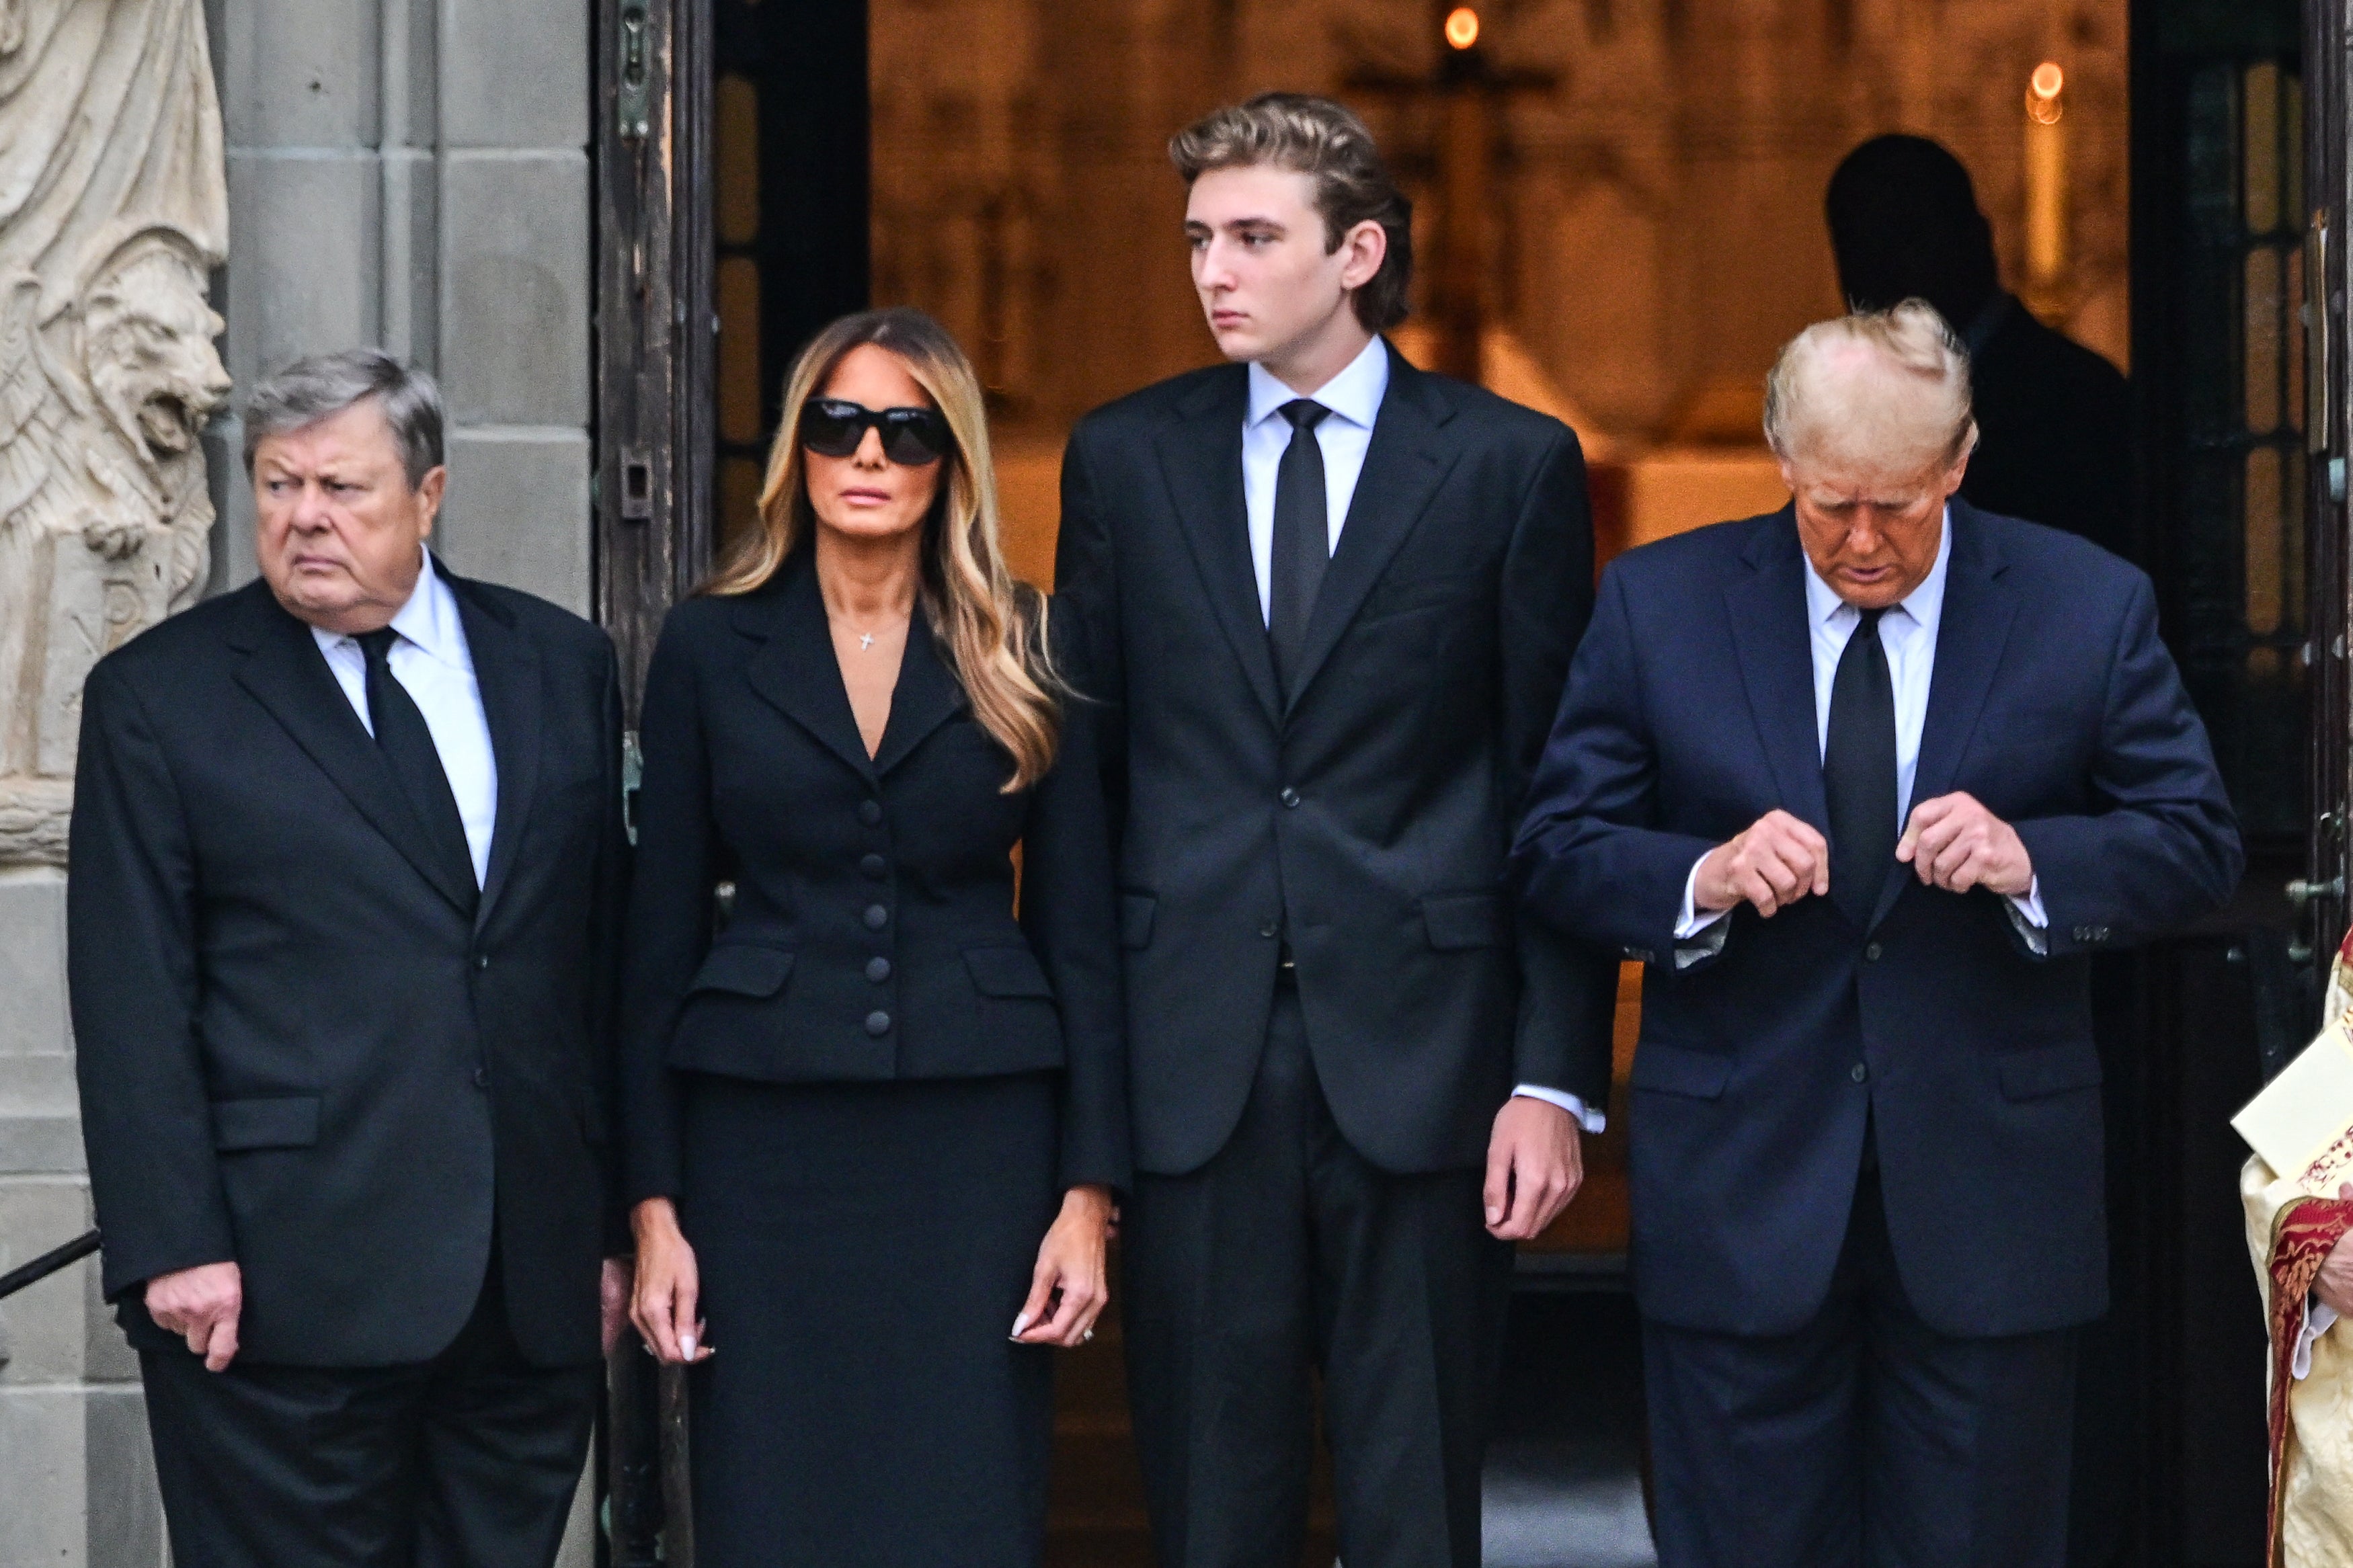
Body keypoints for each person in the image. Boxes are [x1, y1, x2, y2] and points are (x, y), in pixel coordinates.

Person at [1513, 302, 2241, 1568]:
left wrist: (2033, 861)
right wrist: (1706, 873)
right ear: (1783, 460)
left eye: (1899, 505)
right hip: (1741, 1196)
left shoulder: (2086, 602)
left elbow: (2197, 842)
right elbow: (1556, 847)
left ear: (1960, 459)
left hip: (1991, 1201)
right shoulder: (1659, 605)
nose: (1862, 541)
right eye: (1831, 502)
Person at [1051, 93, 1618, 1568]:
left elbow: (1555, 785)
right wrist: (1088, 1117)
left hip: (1429, 1056)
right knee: (1209, 1507)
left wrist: (1553, 1076)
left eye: (1252, 237)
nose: (1212, 272)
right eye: (1197, 240)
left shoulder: (1508, 464)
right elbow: (1085, 789)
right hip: (1194, 1061)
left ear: (1358, 250)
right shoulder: (1124, 459)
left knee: (1413, 1504)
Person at [67, 349, 631, 1567]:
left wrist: (613, 1226)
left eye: (342, 487)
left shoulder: (559, 664)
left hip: (522, 1289)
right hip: (276, 1288)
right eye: (278, 485)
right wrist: (171, 1241)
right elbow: (129, 992)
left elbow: (597, 967)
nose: (305, 516)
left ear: (428, 495)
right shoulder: (159, 697)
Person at [621, 306, 1126, 1566]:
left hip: (979, 1144)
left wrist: (1088, 1195)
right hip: (761, 1144)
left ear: (948, 458)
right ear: (798, 447)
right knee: (770, 1497)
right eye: (838, 425)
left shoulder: (1033, 644)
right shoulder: (707, 643)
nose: (869, 456)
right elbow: (652, 939)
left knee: (963, 1496)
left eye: (905, 431)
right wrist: (651, 1206)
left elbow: (1078, 934)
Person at [1827, 133, 2134, 561]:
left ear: (1973, 239)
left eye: (1906, 241)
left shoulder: (2076, 399)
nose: (1881, 275)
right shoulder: (1845, 415)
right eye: (1860, 251)